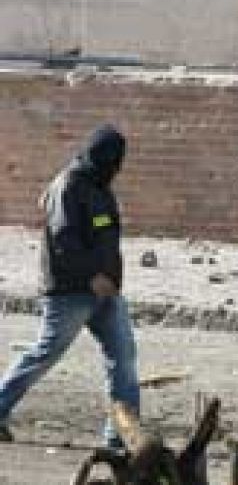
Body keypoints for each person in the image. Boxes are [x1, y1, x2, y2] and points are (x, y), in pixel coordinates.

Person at [0, 126, 138, 450]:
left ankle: (122, 433)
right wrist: (93, 276)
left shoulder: (100, 187)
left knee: (124, 357)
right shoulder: (68, 186)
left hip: (106, 293)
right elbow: (64, 241)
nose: (114, 168)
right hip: (70, 293)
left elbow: (106, 235)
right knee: (45, 354)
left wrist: (111, 279)